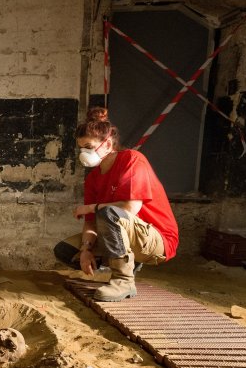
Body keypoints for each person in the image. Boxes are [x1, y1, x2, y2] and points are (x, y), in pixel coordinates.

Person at [54, 107, 179, 302]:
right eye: (81, 148)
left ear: (107, 144)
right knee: (66, 251)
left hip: (157, 240)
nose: (83, 153)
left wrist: (91, 208)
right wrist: (86, 249)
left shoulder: (132, 160)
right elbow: (90, 224)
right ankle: (129, 262)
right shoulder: (93, 178)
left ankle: (124, 280)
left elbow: (129, 209)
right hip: (124, 232)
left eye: (88, 146)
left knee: (110, 212)